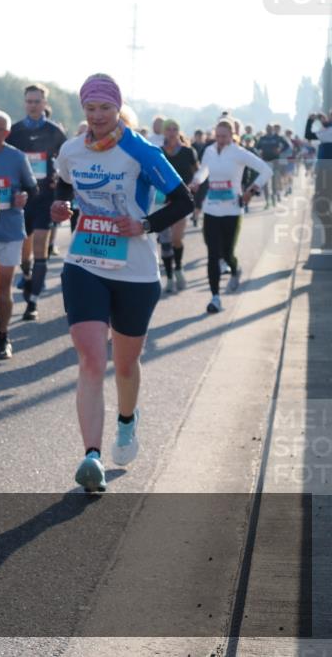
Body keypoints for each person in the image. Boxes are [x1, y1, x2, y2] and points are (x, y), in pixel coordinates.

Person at [52, 74, 192, 493]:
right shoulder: (72, 149)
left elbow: (183, 199)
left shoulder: (139, 151)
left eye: (104, 109)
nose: (96, 117)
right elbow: (63, 184)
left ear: (118, 109)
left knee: (126, 363)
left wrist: (145, 224)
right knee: (93, 360)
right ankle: (91, 456)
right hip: (84, 263)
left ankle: (127, 422)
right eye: (90, 109)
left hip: (135, 271)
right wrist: (61, 206)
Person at [191, 118, 273, 314]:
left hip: (232, 210)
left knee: (227, 253)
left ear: (231, 136)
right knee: (213, 254)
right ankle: (215, 298)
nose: (220, 140)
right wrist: (195, 181)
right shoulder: (209, 151)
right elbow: (204, 171)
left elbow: (266, 170)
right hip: (211, 209)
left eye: (224, 136)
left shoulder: (238, 152)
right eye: (217, 136)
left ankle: (235, 270)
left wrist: (250, 191)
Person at [0, 110, 37, 359]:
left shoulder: (17, 157)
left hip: (10, 231)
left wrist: (25, 196)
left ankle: (3, 336)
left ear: (6, 133)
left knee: (2, 289)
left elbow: (33, 188)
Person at [6, 83, 67, 321]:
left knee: (40, 247)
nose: (33, 105)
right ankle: (28, 275)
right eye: (29, 101)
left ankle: (32, 302)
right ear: (25, 103)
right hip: (22, 200)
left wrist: (58, 179)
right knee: (25, 253)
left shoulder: (55, 132)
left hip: (45, 199)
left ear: (44, 104)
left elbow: (67, 161)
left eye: (37, 101)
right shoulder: (15, 131)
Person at [159, 119, 199, 293]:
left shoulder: (188, 151)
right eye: (169, 129)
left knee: (176, 239)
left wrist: (194, 184)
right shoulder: (158, 152)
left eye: (175, 129)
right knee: (165, 242)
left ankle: (179, 268)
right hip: (162, 201)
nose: (172, 132)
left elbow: (197, 173)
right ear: (164, 132)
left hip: (181, 201)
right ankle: (168, 277)